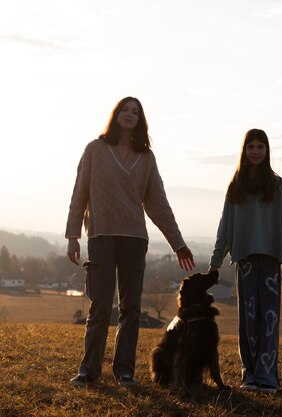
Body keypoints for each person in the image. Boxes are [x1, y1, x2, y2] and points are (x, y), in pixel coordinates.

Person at [65, 96, 195, 387]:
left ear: (140, 119)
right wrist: (73, 236)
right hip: (100, 237)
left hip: (135, 239)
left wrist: (178, 243)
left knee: (131, 309)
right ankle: (89, 371)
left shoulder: (146, 158)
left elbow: (158, 205)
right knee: (99, 306)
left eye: (135, 111)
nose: (129, 114)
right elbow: (79, 194)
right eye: (125, 109)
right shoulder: (95, 150)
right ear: (116, 114)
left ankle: (125, 371)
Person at [208, 128, 282, 394]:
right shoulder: (235, 184)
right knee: (247, 321)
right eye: (251, 147)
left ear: (267, 150)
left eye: (261, 146)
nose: (256, 151)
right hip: (244, 260)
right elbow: (225, 224)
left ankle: (267, 377)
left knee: (269, 320)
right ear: (244, 151)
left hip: (270, 259)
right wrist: (215, 258)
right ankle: (249, 376)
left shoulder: (278, 184)